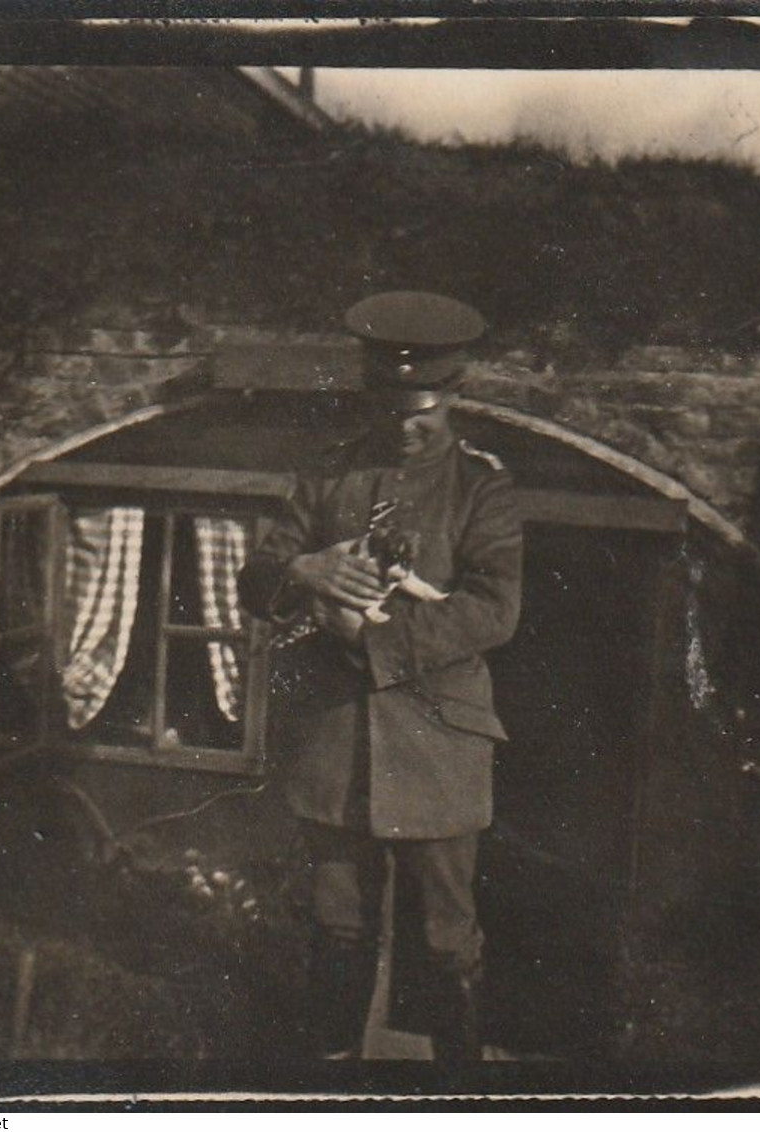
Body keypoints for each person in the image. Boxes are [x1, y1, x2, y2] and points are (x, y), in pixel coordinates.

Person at [238, 291, 523, 1064]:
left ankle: (458, 1098)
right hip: (336, 743)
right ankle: (330, 1093)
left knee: (445, 935)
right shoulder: (330, 475)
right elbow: (256, 578)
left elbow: (495, 610)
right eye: (390, 410)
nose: (404, 428)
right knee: (338, 926)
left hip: (439, 740)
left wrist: (373, 636)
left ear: (453, 395)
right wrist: (303, 567)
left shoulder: (481, 487)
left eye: (421, 413)